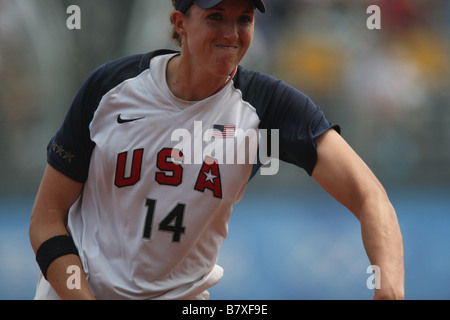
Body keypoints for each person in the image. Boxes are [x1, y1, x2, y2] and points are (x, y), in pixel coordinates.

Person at [29, 0, 404, 300]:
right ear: (180, 22)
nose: (232, 32)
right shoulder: (111, 88)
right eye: (216, 16)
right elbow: (46, 219)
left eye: (244, 18)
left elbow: (370, 196)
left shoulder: (267, 107)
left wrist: (387, 286)